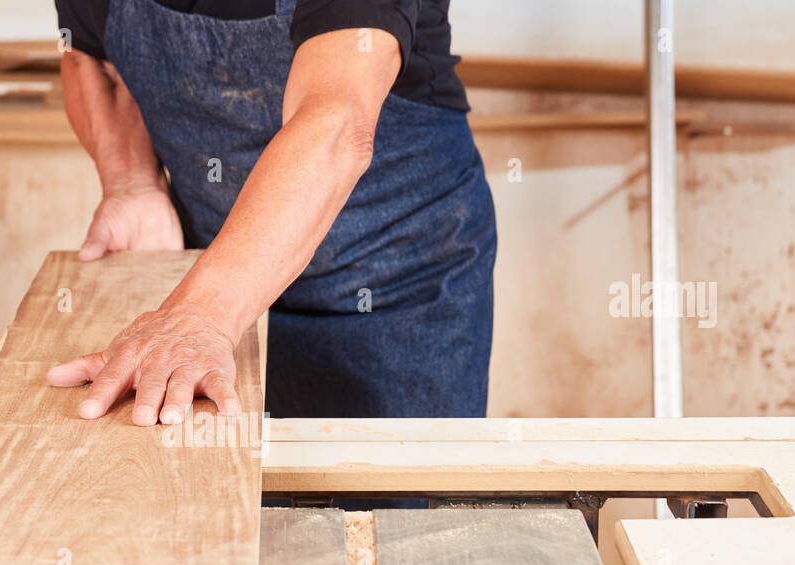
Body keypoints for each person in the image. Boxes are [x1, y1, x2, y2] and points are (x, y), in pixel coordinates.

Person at [46, 0, 495, 427]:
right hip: (207, 283)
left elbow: (337, 121)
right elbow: (91, 57)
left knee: (387, 501)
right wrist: (132, 182)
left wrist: (199, 316)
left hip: (395, 288)